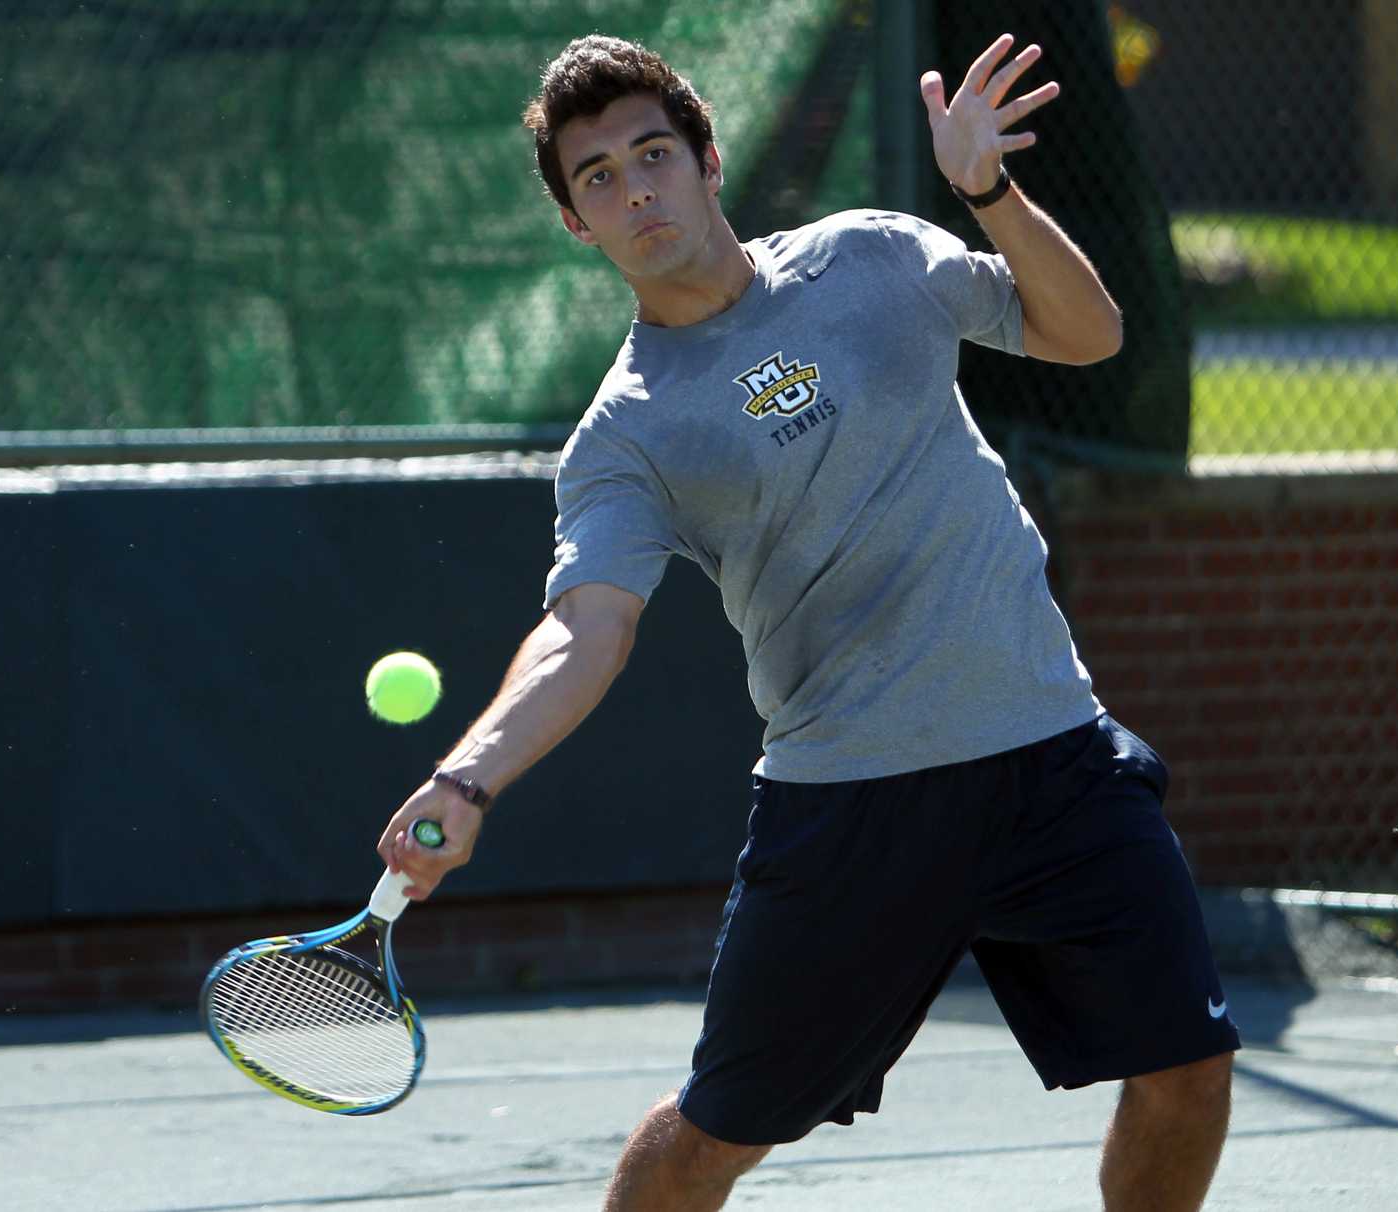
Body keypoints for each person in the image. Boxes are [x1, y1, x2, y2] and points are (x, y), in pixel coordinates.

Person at [376, 32, 1237, 1212]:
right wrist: (466, 779)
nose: (634, 189)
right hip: (853, 810)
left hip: (1052, 754)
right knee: (708, 1142)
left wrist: (989, 191)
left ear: (707, 159)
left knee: (1187, 1070)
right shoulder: (624, 435)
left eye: (652, 154)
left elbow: (1088, 334)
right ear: (579, 224)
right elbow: (587, 628)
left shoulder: (874, 256)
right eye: (597, 178)